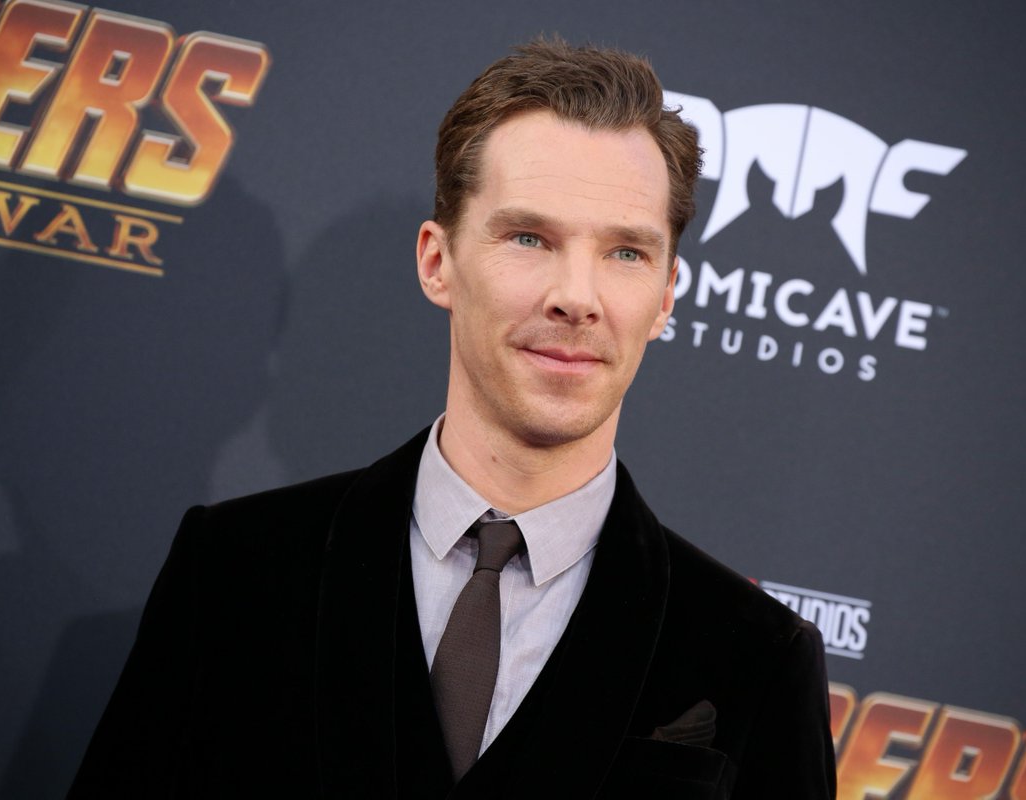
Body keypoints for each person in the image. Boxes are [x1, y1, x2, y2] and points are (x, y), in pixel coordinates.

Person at [69, 39, 836, 799]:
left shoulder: (756, 655)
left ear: (666, 297)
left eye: (626, 253)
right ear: (438, 262)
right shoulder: (232, 571)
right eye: (529, 238)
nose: (577, 297)